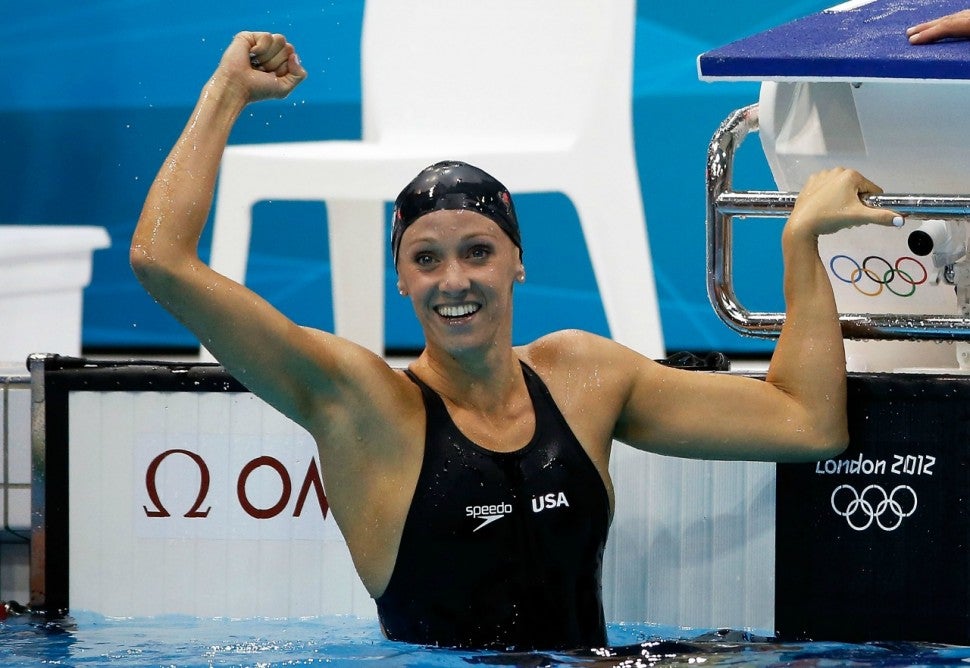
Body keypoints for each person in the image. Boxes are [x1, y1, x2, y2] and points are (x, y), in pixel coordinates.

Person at [130, 31, 902, 651]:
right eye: (425, 259)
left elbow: (807, 423)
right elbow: (161, 259)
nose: (453, 281)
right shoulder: (365, 407)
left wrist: (801, 243)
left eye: (477, 251)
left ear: (517, 261)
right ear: (401, 279)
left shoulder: (582, 377)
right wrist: (227, 91)